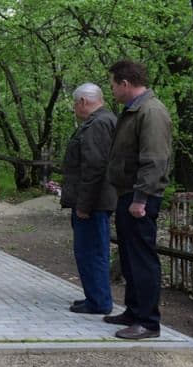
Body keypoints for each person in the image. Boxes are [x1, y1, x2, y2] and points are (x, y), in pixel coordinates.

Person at [103, 60, 172, 340]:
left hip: (140, 196)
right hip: (127, 193)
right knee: (130, 257)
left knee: (142, 258)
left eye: (113, 84)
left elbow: (155, 159)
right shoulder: (133, 110)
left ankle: (148, 321)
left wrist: (141, 198)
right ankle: (133, 311)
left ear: (125, 83)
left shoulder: (151, 111)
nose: (112, 90)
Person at [62, 83, 117, 315]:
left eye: (75, 104)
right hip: (95, 201)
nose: (75, 109)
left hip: (93, 204)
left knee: (91, 251)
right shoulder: (104, 121)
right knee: (90, 250)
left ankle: (99, 301)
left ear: (83, 102)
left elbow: (94, 168)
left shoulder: (98, 124)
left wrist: (84, 205)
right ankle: (94, 296)